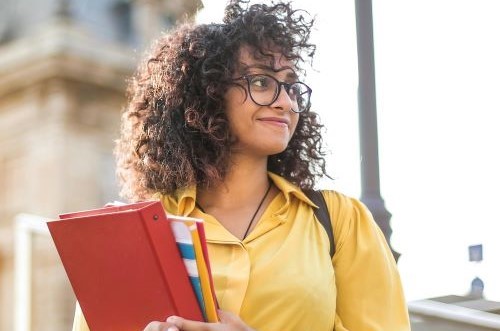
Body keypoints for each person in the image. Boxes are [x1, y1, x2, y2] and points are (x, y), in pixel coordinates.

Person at [72, 0, 411, 330]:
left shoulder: (339, 222)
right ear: (209, 93)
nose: (284, 102)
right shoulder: (140, 232)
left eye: (291, 86)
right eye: (262, 82)